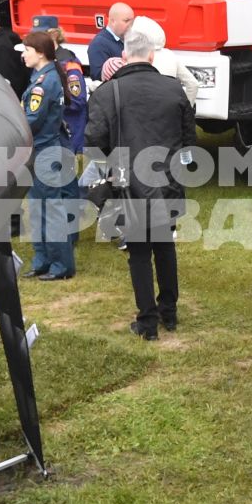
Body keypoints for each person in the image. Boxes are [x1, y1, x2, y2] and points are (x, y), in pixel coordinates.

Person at [85, 23, 197, 340]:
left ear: (124, 55)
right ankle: (168, 312)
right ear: (150, 55)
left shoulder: (108, 92)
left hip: (128, 181)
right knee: (163, 246)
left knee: (139, 251)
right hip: (166, 180)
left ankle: (148, 321)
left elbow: (94, 140)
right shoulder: (174, 88)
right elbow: (189, 139)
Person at [19, 29, 79, 281]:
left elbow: (32, 118)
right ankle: (43, 259)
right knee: (37, 207)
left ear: (40, 53)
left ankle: (60, 264)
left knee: (51, 208)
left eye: (27, 50)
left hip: (44, 150)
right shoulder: (42, 77)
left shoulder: (45, 83)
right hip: (40, 150)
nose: (23, 55)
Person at [30, 15, 88, 153]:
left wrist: (49, 105)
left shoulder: (69, 63)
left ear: (54, 35)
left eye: (41, 35)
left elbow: (77, 100)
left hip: (70, 137)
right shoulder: (41, 61)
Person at [124, 15, 198, 106]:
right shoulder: (170, 55)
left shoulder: (137, 56)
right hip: (169, 111)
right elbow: (193, 84)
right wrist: (187, 108)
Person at [87, 2, 134, 80]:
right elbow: (98, 79)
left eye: (132, 21)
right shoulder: (98, 44)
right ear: (113, 21)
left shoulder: (128, 38)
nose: (131, 25)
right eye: (126, 21)